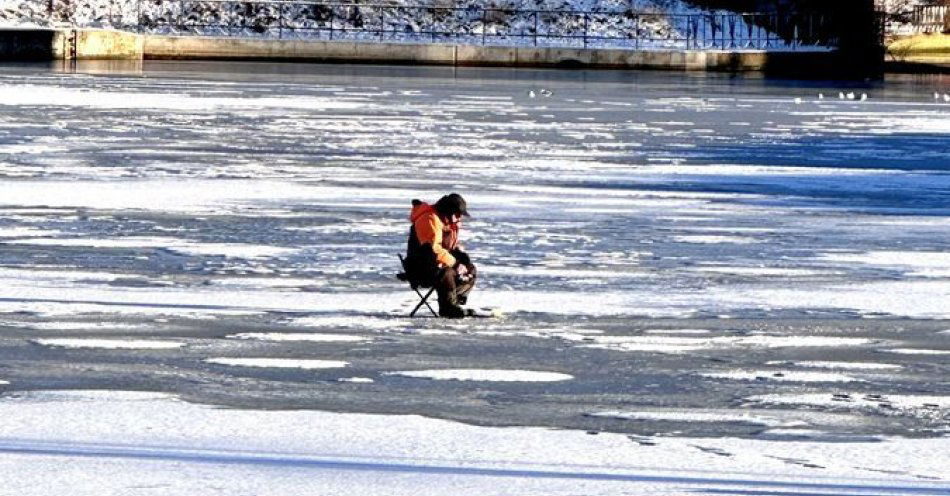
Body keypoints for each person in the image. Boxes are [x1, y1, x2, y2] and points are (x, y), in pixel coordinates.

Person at [404, 193, 477, 318]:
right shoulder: (430, 219)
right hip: (420, 267)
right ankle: (448, 308)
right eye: (458, 214)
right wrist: (456, 264)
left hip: (438, 263)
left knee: (470, 269)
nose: (459, 218)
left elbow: (448, 247)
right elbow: (433, 249)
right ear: (448, 211)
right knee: (446, 273)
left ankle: (454, 301)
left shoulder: (448, 222)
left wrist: (460, 256)